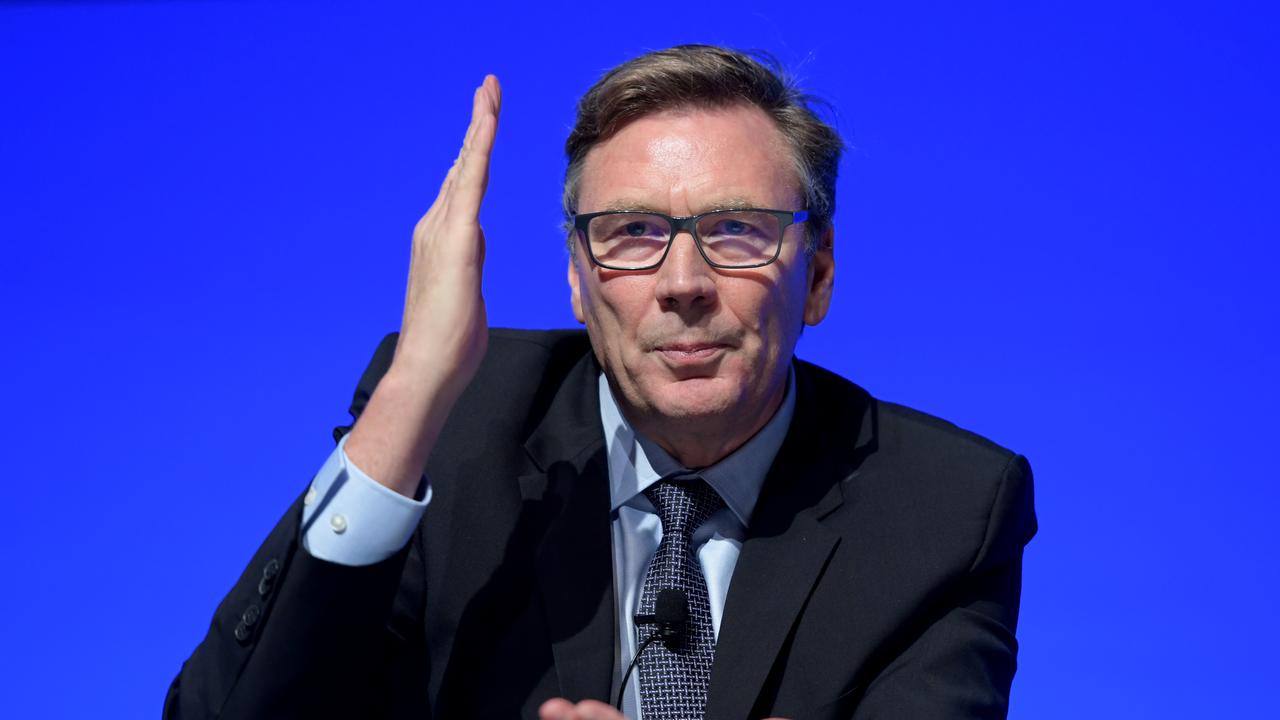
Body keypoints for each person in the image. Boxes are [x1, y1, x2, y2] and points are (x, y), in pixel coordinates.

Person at [165, 45, 1037, 720]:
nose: (683, 282)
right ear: (579, 282)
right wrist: (413, 390)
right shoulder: (457, 434)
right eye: (631, 232)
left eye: (737, 230)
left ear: (818, 275)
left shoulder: (945, 509)